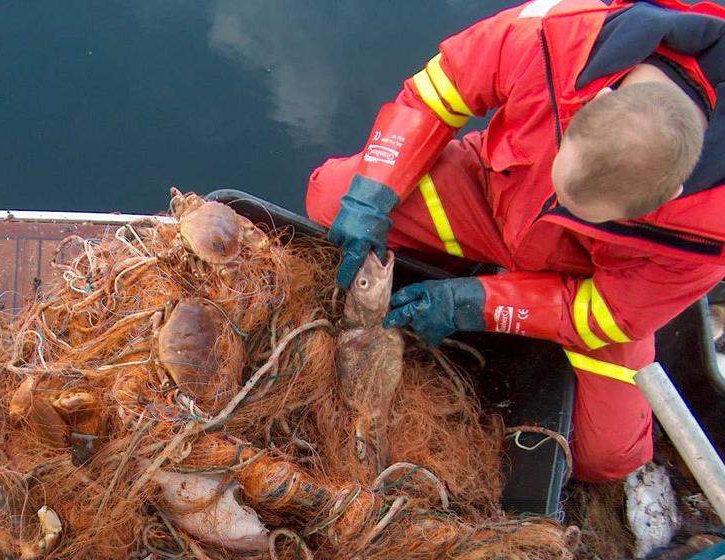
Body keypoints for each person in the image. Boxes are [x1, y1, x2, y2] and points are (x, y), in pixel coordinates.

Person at [306, 0, 725, 487]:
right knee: (332, 198)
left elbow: (609, 314)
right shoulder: (557, 36)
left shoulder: (709, 228)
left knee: (608, 460)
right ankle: (442, 252)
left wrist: (477, 303)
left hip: (583, 284)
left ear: (670, 194)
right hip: (489, 196)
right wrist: (373, 195)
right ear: (596, 101)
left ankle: (478, 284)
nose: (563, 204)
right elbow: (435, 94)